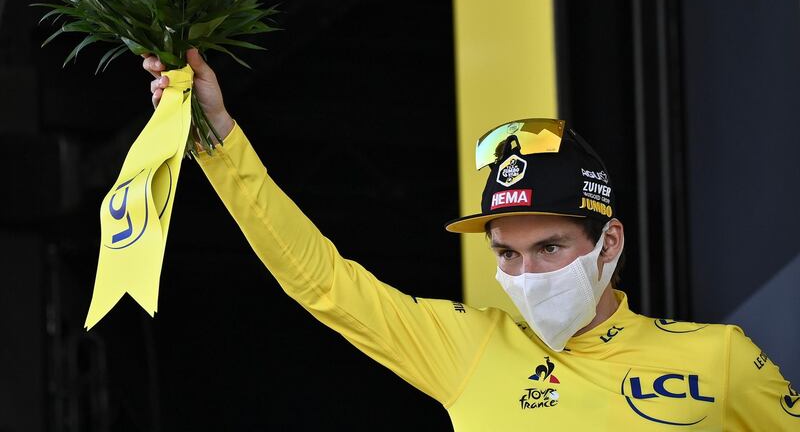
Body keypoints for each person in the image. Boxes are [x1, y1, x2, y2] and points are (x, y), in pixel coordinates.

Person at [144, 49, 798, 430]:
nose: (526, 272)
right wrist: (217, 137)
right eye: (506, 254)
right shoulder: (468, 346)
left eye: (549, 248)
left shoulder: (722, 360)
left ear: (609, 244)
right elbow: (321, 281)